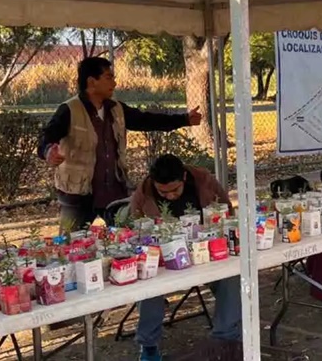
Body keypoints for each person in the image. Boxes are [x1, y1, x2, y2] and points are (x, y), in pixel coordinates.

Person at [38, 57, 203, 230]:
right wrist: (48, 151)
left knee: (127, 237)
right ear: (92, 81)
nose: (114, 83)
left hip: (114, 191)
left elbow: (146, 120)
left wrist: (184, 119)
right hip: (78, 194)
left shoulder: (116, 108)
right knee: (70, 241)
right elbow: (46, 137)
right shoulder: (69, 110)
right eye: (109, 77)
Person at [129, 154, 240, 361]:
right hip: (162, 259)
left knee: (231, 275)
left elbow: (227, 210)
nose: (170, 196)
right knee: (148, 286)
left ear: (184, 178)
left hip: (205, 251)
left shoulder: (204, 181)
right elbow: (133, 231)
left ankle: (225, 339)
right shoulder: (143, 193)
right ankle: (149, 346)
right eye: (163, 192)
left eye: (175, 190)